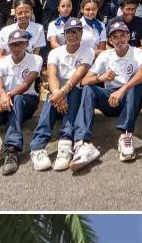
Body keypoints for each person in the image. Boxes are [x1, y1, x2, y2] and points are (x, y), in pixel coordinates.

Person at [76, 20, 142, 167]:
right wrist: (100, 77)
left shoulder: (137, 52)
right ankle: (82, 142)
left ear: (128, 36)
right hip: (110, 99)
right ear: (110, 40)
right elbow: (84, 81)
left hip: (130, 97)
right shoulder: (105, 55)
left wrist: (122, 90)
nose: (119, 40)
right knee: (89, 89)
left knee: (136, 79)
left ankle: (125, 135)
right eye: (115, 37)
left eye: (122, 35)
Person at [30, 21, 94, 172]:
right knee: (50, 98)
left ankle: (65, 142)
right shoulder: (55, 52)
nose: (73, 35)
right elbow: (52, 75)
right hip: (58, 91)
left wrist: (62, 93)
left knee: (74, 92)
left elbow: (78, 75)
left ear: (82, 33)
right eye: (69, 32)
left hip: (75, 90)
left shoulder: (88, 51)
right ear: (64, 35)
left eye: (77, 31)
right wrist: (57, 94)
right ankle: (38, 147)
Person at [0, 29, 41, 178]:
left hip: (27, 102)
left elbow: (26, 85)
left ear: (27, 44)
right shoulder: (0, 63)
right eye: (13, 44)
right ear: (8, 45)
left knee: (18, 98)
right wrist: (3, 96)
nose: (16, 47)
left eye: (20, 43)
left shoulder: (35, 59)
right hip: (5, 102)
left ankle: (12, 149)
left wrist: (8, 96)